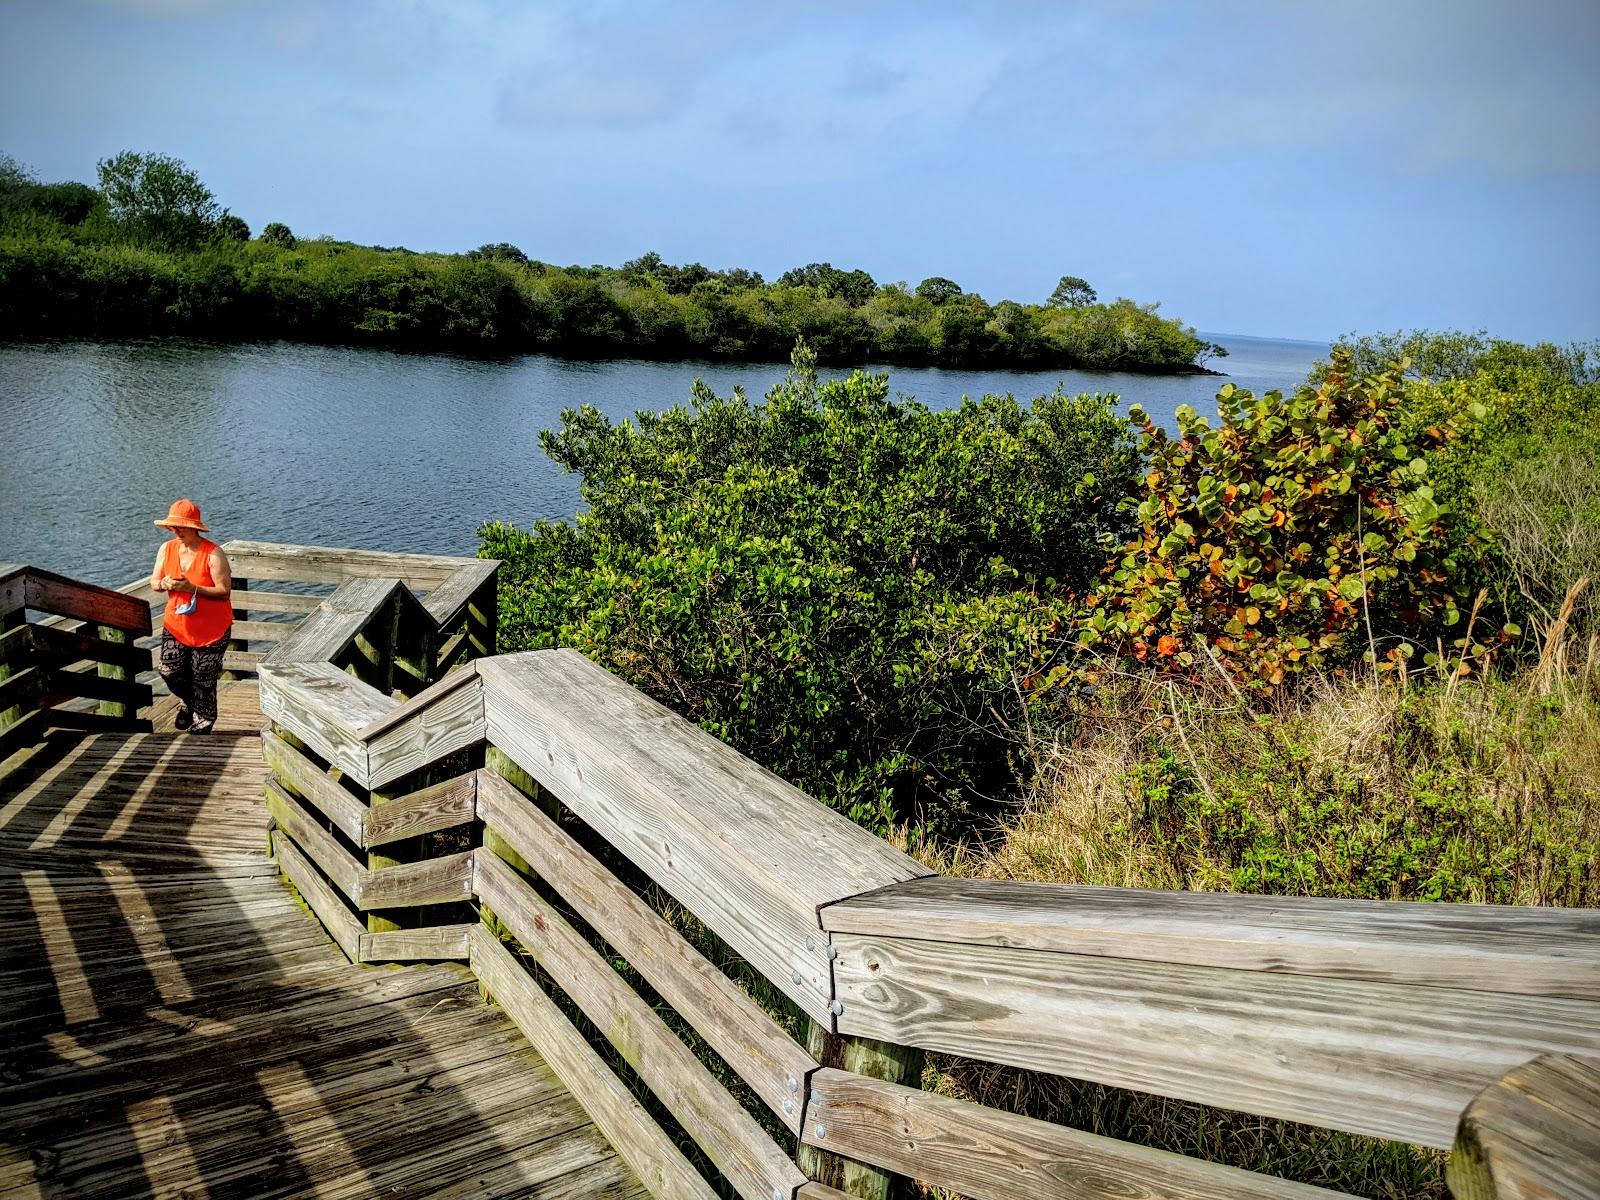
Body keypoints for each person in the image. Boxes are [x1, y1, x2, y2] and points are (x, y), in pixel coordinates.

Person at [148, 499, 233, 734]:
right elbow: (154, 582)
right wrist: (163, 583)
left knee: (203, 677)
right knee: (169, 670)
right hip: (177, 624)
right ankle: (190, 703)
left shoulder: (213, 553)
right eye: (172, 527)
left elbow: (224, 592)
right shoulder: (167, 549)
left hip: (212, 629)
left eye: (180, 527)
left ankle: (204, 719)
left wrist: (191, 588)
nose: (175, 531)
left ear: (194, 527)